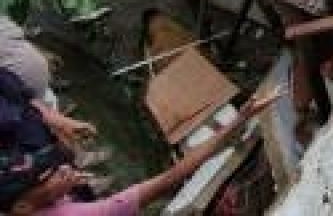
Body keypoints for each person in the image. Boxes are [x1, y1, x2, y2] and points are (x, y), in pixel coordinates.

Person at [9, 91, 279, 216]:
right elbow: (174, 175)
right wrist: (239, 120)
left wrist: (58, 188)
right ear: (23, 206)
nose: (65, 169)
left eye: (57, 166)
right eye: (50, 175)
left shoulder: (18, 202)